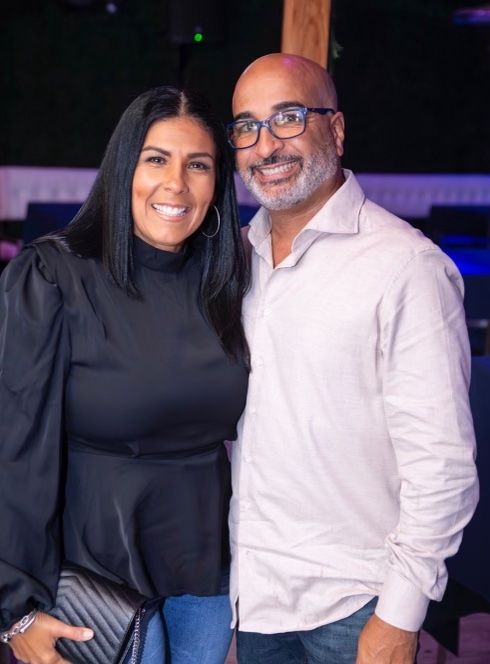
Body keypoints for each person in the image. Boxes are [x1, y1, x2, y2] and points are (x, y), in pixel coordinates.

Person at [226, 53, 479, 664]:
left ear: (335, 130)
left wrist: (399, 615)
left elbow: (442, 463)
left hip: (355, 602)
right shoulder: (234, 258)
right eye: (247, 127)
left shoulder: (405, 266)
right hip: (252, 592)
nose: (266, 144)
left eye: (288, 117)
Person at [0, 85, 249, 664]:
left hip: (206, 570)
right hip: (96, 571)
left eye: (198, 165)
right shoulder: (53, 276)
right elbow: (15, 449)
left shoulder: (226, 283)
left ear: (217, 184)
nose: (176, 183)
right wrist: (15, 608)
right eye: (156, 159)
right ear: (122, 170)